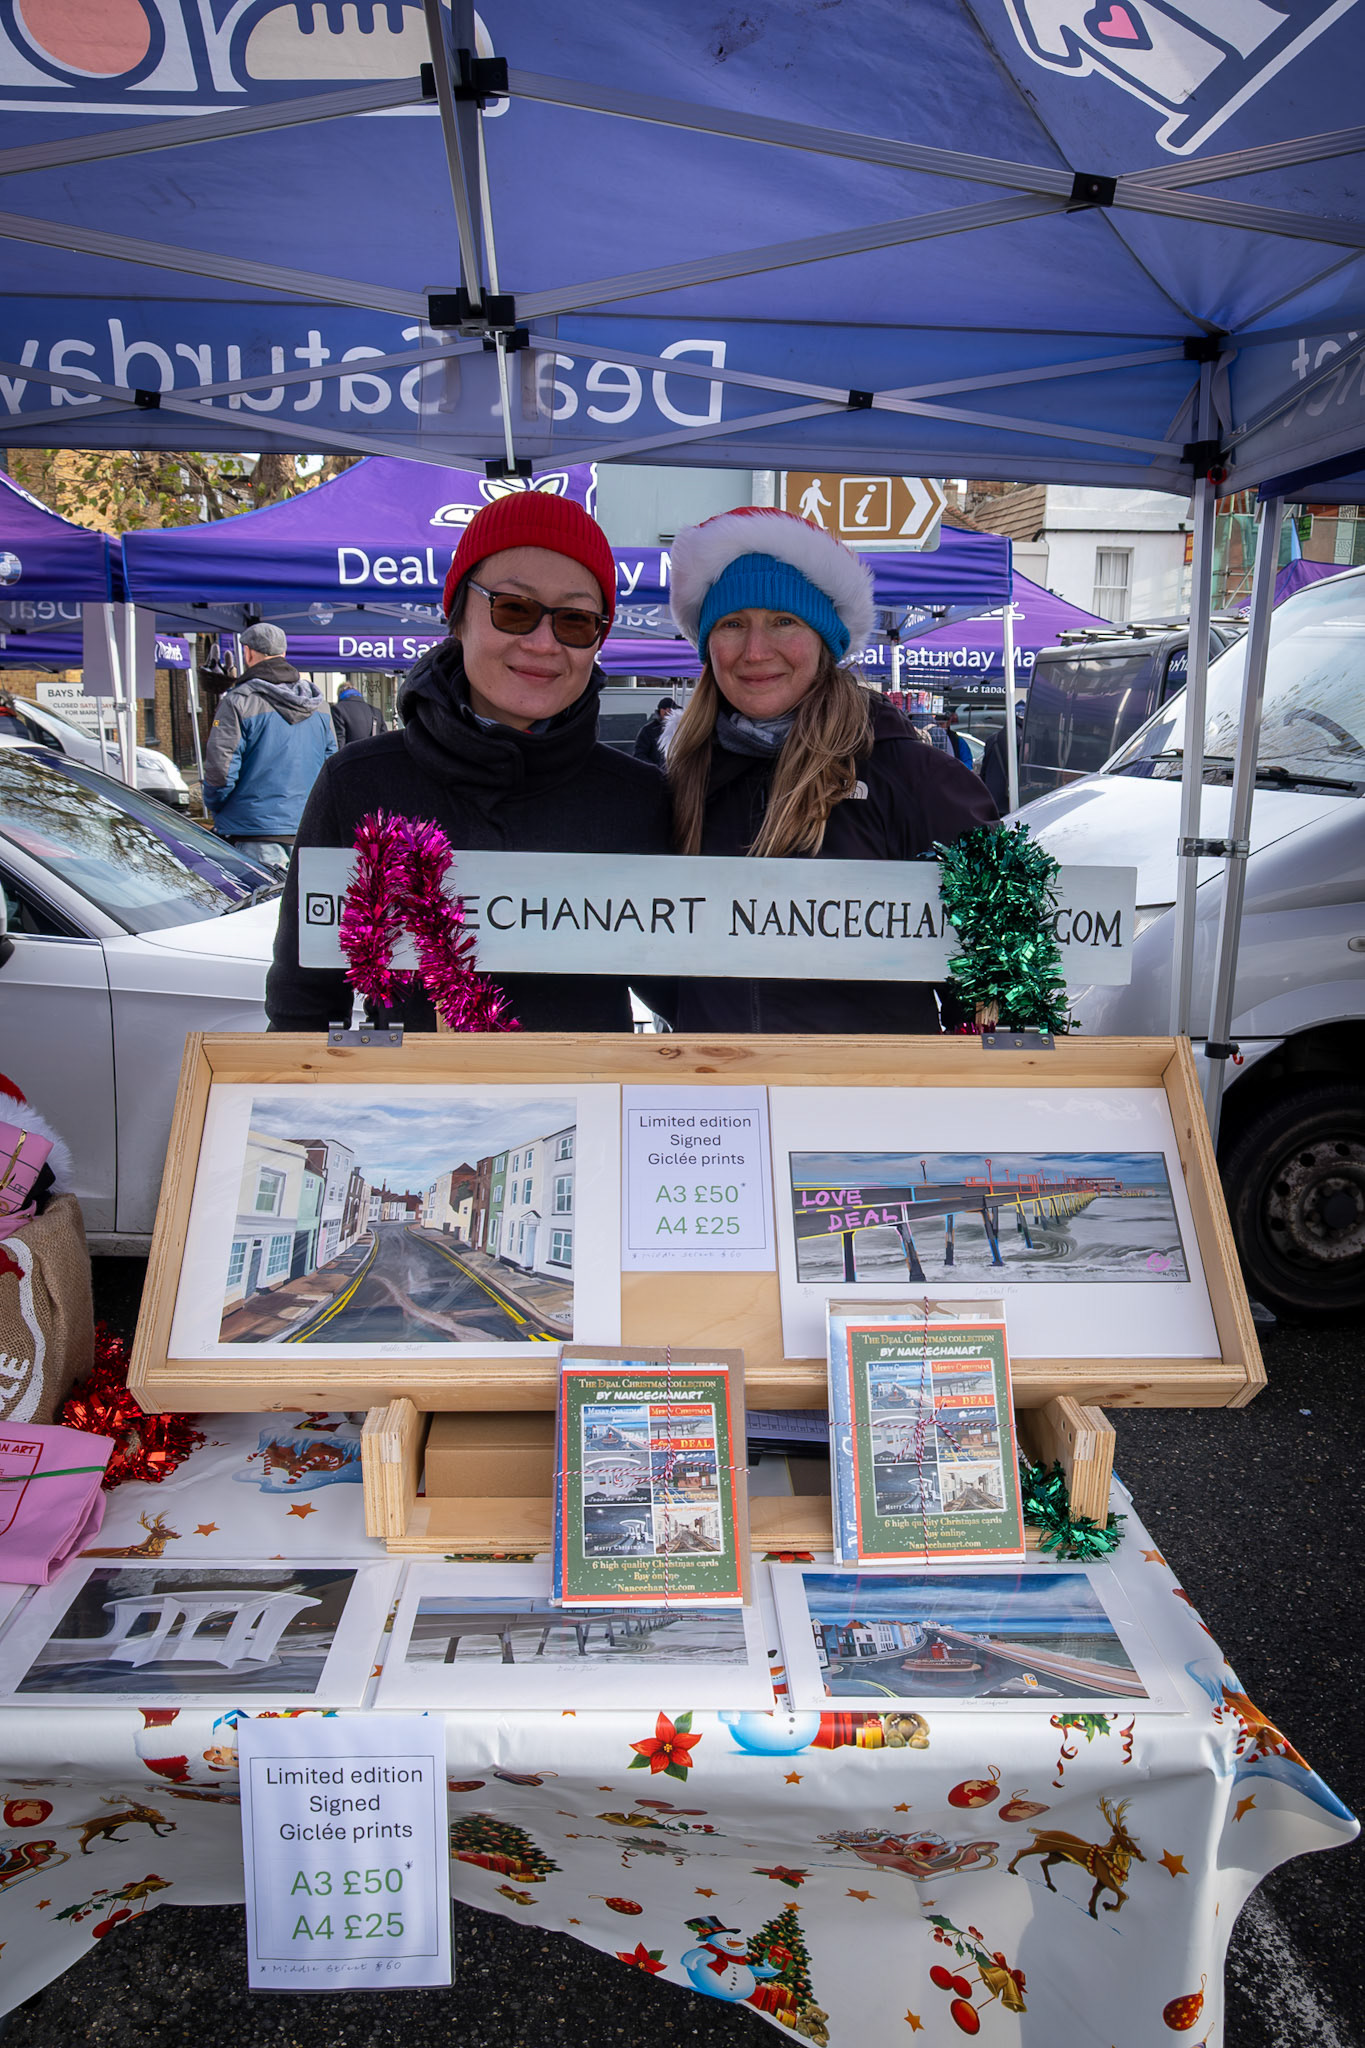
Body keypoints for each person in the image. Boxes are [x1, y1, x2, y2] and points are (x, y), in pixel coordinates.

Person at [266, 494, 672, 1034]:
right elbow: (305, 1007)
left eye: (575, 620)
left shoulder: (638, 798)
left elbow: (691, 990)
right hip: (408, 1113)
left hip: (592, 1109)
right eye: (514, 609)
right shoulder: (360, 783)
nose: (543, 642)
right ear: (457, 615)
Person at [664, 506, 997, 1033]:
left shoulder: (913, 778)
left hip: (870, 1104)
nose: (755, 651)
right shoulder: (679, 778)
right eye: (732, 623)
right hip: (719, 1101)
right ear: (708, 645)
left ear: (824, 640)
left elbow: (998, 975)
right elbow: (645, 952)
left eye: (783, 620)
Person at [203, 623, 335, 870]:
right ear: (284, 654)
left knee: (256, 907)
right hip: (305, 830)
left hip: (252, 832)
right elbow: (331, 767)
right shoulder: (320, 706)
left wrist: (214, 804)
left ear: (248, 653)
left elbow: (221, 772)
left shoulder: (239, 701)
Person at [980, 702, 1024, 813]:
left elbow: (983, 772)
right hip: (1014, 800)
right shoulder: (1025, 741)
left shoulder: (992, 739)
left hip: (993, 799)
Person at [331, 683, 387, 748]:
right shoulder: (375, 711)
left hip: (352, 755)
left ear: (339, 694)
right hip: (374, 755)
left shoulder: (338, 709)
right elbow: (384, 739)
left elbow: (339, 740)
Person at [632, 696, 679, 767]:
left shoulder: (680, 729)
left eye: (670, 708)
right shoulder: (648, 730)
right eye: (664, 708)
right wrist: (654, 769)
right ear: (659, 710)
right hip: (655, 775)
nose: (668, 711)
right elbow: (639, 754)